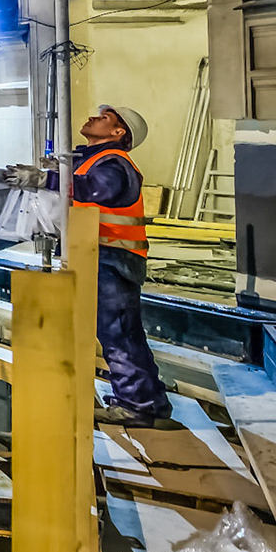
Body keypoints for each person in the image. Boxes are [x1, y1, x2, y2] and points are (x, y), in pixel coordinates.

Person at [73, 104, 173, 428]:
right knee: (123, 332)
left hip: (113, 257)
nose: (93, 117)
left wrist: (46, 179)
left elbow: (96, 189)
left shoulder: (114, 163)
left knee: (117, 332)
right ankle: (149, 401)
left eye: (105, 118)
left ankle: (137, 406)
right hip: (103, 255)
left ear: (118, 133)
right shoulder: (92, 158)